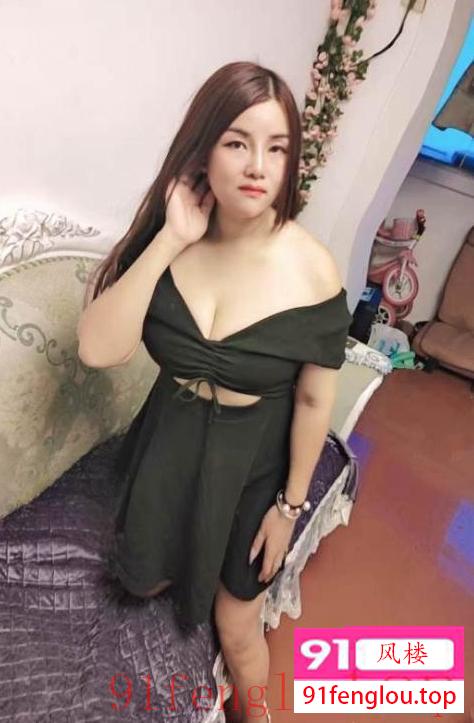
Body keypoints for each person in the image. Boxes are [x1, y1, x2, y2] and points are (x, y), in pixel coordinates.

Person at [76, 61, 353, 723]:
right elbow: (97, 349)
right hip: (169, 442)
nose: (258, 166)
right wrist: (172, 236)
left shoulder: (312, 268)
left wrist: (288, 508)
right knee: (146, 576)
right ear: (202, 150)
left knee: (236, 624)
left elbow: (313, 401)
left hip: (253, 462)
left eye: (277, 148)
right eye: (237, 142)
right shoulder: (173, 239)